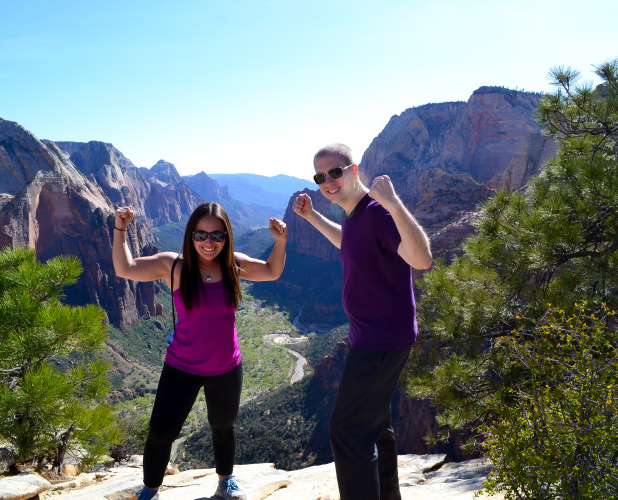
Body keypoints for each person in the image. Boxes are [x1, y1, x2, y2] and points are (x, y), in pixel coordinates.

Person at [112, 202, 287, 500]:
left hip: (226, 366)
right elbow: (124, 268)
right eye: (201, 234)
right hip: (182, 366)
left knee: (222, 427)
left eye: (217, 235)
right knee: (161, 433)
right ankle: (151, 490)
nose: (209, 242)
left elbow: (272, 271)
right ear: (190, 235)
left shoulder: (234, 264)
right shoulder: (174, 266)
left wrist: (280, 241)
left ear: (227, 237)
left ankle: (225, 483)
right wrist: (120, 229)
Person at [294, 143, 432, 500]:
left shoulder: (378, 213)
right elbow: (349, 244)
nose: (327, 181)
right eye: (320, 176)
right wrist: (311, 217)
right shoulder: (352, 213)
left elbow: (422, 259)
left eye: (335, 172)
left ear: (354, 171)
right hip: (370, 336)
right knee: (375, 424)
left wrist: (394, 203)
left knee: (347, 429)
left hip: (381, 339)